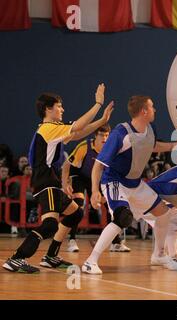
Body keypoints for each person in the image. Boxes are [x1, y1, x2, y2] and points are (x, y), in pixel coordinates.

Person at [3, 84, 113, 273]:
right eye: (59, 106)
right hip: (45, 182)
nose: (62, 109)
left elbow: (78, 133)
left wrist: (101, 119)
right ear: (48, 109)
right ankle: (16, 258)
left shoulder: (52, 130)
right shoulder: (48, 128)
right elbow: (77, 125)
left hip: (49, 181)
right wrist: (98, 104)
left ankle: (51, 256)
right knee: (50, 224)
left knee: (75, 213)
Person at [81, 95, 177, 275]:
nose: (155, 109)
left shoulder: (150, 129)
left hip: (135, 184)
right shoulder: (120, 133)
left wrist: (175, 146)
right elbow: (97, 166)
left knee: (164, 213)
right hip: (114, 181)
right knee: (122, 218)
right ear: (144, 111)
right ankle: (90, 261)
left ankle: (158, 255)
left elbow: (153, 145)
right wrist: (94, 191)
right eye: (152, 106)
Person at [61, 124, 130, 253]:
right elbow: (66, 165)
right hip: (80, 177)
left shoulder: (112, 149)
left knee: (111, 205)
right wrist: (65, 184)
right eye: (101, 135)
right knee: (78, 205)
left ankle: (115, 242)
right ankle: (72, 240)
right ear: (95, 136)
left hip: (98, 180)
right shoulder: (84, 146)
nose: (104, 138)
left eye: (107, 135)